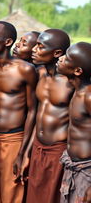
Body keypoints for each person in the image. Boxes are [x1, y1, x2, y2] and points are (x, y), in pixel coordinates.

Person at [0, 21, 37, 203]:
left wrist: (23, 152)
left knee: (12, 191)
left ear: (7, 42)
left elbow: (32, 111)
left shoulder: (25, 70)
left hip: (14, 138)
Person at [25, 29, 74, 203]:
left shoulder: (71, 82)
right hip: (38, 148)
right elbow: (37, 116)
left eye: (40, 46)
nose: (34, 49)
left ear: (57, 53)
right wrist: (26, 153)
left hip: (59, 152)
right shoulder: (39, 74)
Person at [56, 42, 91, 203]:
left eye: (67, 58)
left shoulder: (88, 97)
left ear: (77, 71)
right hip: (72, 165)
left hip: (86, 171)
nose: (61, 58)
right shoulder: (75, 90)